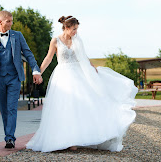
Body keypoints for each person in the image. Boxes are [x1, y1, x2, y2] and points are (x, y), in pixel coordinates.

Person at [26, 16, 138, 152]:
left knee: (79, 106)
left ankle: (76, 139)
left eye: (77, 29)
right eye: (73, 29)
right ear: (66, 28)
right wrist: (39, 72)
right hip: (62, 76)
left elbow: (83, 56)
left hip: (78, 75)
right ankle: (65, 139)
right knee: (64, 107)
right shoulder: (55, 41)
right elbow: (49, 58)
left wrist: (92, 68)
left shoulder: (77, 40)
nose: (75, 32)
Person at [0, 10, 42, 148]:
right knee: (3, 109)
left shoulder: (18, 36)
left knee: (11, 108)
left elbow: (28, 53)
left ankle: (10, 138)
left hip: (14, 78)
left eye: (11, 21)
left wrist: (35, 70)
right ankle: (8, 135)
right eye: (8, 21)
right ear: (0, 22)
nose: (11, 23)